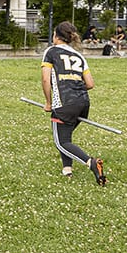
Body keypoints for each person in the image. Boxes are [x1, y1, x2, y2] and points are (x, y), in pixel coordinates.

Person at [41, 21, 108, 186]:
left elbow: (45, 79)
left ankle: (91, 162)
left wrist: (49, 103)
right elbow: (90, 84)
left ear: (56, 36)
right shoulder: (79, 55)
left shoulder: (51, 51)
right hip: (83, 103)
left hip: (64, 104)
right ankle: (67, 169)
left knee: (61, 142)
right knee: (66, 136)